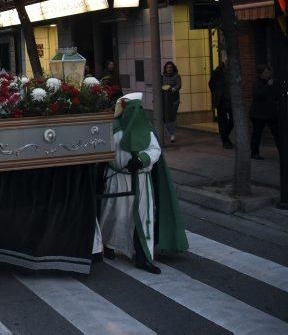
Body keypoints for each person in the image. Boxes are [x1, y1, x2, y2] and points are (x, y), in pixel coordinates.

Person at [100, 92, 188, 274]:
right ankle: (108, 244)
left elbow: (155, 149)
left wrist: (141, 160)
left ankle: (143, 257)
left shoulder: (147, 130)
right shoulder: (112, 128)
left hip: (141, 180)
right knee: (114, 215)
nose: (136, 112)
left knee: (143, 219)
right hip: (118, 179)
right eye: (132, 108)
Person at [250, 64, 279, 161]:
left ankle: (282, 151)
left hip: (270, 113)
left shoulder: (271, 82)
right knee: (257, 134)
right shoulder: (257, 83)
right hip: (259, 114)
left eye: (269, 72)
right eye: (266, 72)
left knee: (277, 133)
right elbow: (258, 94)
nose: (268, 74)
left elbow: (275, 95)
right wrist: (268, 86)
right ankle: (254, 153)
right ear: (261, 74)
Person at [209, 61, 234, 149]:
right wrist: (217, 93)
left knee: (233, 120)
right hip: (221, 100)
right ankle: (225, 140)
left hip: (230, 99)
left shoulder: (232, 73)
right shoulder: (217, 73)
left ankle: (225, 136)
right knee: (223, 121)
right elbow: (211, 84)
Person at [161, 61, 182, 143]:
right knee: (166, 117)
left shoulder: (177, 76)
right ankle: (169, 133)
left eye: (170, 67)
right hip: (165, 100)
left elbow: (179, 85)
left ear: (173, 68)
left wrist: (174, 89)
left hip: (173, 99)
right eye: (167, 67)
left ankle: (172, 133)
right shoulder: (163, 77)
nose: (169, 69)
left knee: (172, 116)